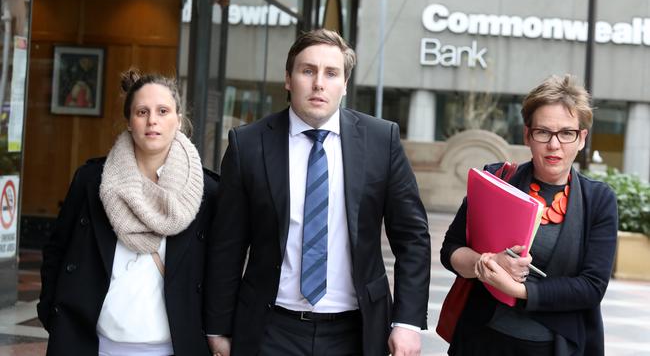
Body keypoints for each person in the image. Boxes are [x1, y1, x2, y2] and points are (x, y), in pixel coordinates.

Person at [204, 29, 431, 356]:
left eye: (331, 73)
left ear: (344, 84)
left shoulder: (381, 141)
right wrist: (218, 326)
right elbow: (227, 244)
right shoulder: (248, 144)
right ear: (288, 79)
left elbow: (412, 237)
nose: (319, 83)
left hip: (357, 330)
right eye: (307, 71)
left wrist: (407, 323)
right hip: (270, 329)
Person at [38, 69, 219, 355]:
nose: (152, 121)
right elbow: (57, 250)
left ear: (179, 120)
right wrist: (54, 313)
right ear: (129, 122)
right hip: (94, 344)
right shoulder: (92, 182)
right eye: (142, 111)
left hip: (175, 347)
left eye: (163, 111)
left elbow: (220, 271)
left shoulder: (207, 193)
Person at [440, 75, 618, 356]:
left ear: (582, 138)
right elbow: (450, 250)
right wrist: (484, 263)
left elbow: (591, 287)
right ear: (527, 135)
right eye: (543, 132)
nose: (554, 145)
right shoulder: (496, 178)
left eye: (566, 133)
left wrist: (518, 290)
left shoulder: (599, 199)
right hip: (481, 340)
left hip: (553, 347)